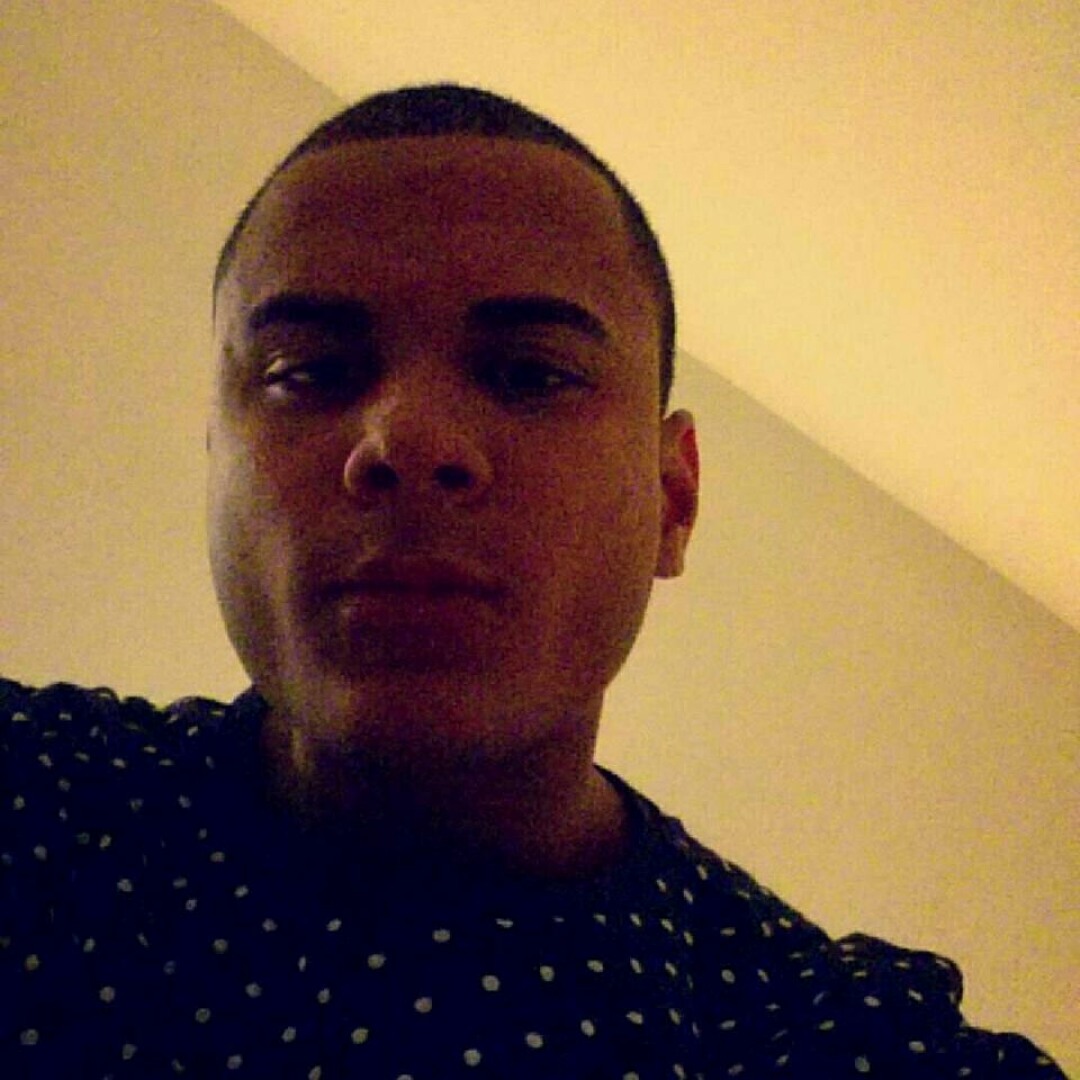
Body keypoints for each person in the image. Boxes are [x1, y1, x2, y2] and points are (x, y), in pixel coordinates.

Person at [0, 84, 1067, 1079]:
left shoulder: (828, 1038)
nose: (408, 440)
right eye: (309, 372)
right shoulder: (35, 802)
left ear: (674, 499)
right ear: (214, 465)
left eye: (531, 374)